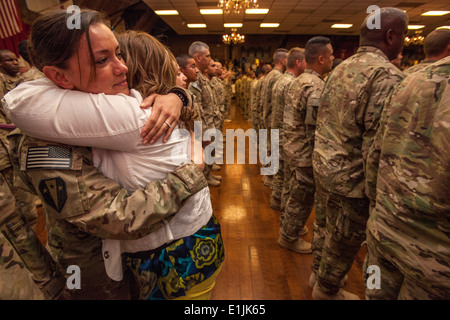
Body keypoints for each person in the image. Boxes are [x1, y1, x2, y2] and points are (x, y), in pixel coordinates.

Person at [3, 9, 209, 300]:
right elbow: (116, 216)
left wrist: (177, 95)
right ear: (58, 76)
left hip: (131, 262)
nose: (122, 67)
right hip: (95, 273)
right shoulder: (44, 139)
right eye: (102, 60)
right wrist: (191, 172)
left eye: (119, 54)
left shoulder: (109, 102)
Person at [311, 7, 408, 300]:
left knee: (325, 227)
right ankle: (326, 290)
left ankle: (318, 273)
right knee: (344, 240)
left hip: (325, 165)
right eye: (403, 35)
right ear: (391, 36)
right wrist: (380, 197)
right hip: (353, 179)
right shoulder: (386, 76)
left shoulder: (341, 68)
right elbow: (377, 145)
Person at [364, 55, 450, 299]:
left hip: (386, 228)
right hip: (436, 259)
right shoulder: (398, 77)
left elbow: (375, 153)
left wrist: (374, 207)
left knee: (375, 292)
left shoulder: (409, 81)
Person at [279, 39, 333, 257]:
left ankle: (291, 227)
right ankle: (288, 236)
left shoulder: (300, 81)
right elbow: (313, 128)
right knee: (301, 197)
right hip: (304, 151)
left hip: (293, 147)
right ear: (321, 58)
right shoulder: (315, 86)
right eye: (330, 55)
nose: (332, 59)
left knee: (295, 192)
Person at [270, 47, 306, 212]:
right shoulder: (292, 83)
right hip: (287, 133)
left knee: (280, 169)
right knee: (287, 175)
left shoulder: (281, 80)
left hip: (278, 130)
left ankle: (276, 198)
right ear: (299, 62)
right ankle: (282, 203)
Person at [188, 41, 221, 187]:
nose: (209, 59)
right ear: (198, 57)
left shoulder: (201, 77)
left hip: (209, 123)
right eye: (207, 56)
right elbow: (197, 109)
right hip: (204, 126)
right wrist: (204, 132)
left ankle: (208, 174)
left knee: (209, 152)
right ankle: (205, 177)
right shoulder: (195, 80)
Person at [259, 48, 288, 187]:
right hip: (273, 116)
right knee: (273, 149)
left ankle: (268, 175)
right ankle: (270, 177)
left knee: (270, 147)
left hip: (268, 115)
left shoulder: (270, 74)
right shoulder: (277, 76)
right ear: (282, 60)